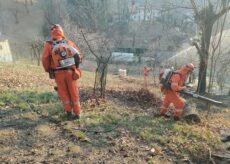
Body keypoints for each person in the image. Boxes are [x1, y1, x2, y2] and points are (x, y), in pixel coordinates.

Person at [41, 24, 83, 120]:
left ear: (52, 33)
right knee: (74, 91)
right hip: (71, 72)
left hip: (58, 73)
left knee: (63, 92)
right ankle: (77, 113)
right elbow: (79, 55)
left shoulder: (49, 44)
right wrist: (76, 67)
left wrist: (48, 69)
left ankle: (68, 112)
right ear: (62, 32)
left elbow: (45, 59)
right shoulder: (69, 42)